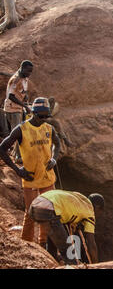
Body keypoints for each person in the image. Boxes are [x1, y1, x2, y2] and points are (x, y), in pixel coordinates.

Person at [0, 97, 61, 247]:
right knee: (31, 213)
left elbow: (57, 143)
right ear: (33, 113)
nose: (44, 119)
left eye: (46, 116)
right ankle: (26, 245)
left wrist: (54, 158)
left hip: (47, 178)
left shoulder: (48, 128)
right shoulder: (22, 129)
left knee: (48, 211)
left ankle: (43, 243)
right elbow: (2, 148)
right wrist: (17, 170)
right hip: (31, 178)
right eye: (41, 116)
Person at [28, 190, 104, 265]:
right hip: (48, 210)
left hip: (34, 205)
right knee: (68, 253)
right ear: (98, 208)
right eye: (100, 212)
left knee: (52, 251)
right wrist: (96, 265)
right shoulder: (90, 212)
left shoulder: (79, 197)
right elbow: (91, 244)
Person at [3, 60, 33, 164]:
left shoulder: (25, 78)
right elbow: (11, 96)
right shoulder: (15, 79)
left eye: (31, 72)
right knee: (18, 133)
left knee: (22, 131)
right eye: (28, 71)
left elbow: (21, 91)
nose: (29, 73)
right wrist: (24, 105)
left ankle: (15, 153)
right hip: (12, 109)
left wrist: (25, 97)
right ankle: (17, 156)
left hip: (19, 109)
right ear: (22, 68)